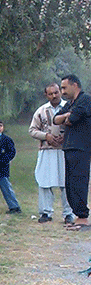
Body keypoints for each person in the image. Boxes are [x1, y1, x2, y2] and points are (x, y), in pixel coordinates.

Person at [28, 83, 72, 224]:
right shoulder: (41, 111)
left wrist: (65, 137)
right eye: (51, 94)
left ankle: (68, 213)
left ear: (60, 92)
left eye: (56, 92)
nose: (54, 96)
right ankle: (46, 212)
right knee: (44, 181)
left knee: (66, 182)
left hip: (65, 151)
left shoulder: (70, 107)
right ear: (46, 95)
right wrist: (46, 136)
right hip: (46, 151)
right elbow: (32, 130)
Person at [53, 74, 91, 229]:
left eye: (64, 87)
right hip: (69, 146)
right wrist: (66, 115)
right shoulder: (70, 103)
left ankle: (82, 216)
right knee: (69, 183)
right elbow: (56, 119)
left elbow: (72, 119)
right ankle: (77, 215)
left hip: (81, 147)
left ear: (75, 85)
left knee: (79, 181)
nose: (62, 91)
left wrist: (67, 117)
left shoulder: (85, 100)